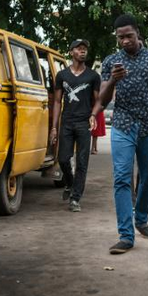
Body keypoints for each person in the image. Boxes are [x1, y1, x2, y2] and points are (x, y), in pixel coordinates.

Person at [94, 14, 148, 255]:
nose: (125, 41)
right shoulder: (111, 62)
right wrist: (112, 82)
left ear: (138, 33)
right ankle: (126, 236)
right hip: (122, 125)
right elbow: (103, 100)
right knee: (121, 178)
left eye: (129, 36)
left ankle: (141, 218)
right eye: (120, 37)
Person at [50, 39, 101, 212]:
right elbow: (57, 101)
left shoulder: (93, 76)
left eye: (85, 49)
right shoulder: (62, 75)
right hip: (66, 122)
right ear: (71, 52)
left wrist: (93, 115)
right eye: (79, 49)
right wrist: (54, 127)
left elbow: (98, 100)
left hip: (84, 123)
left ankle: (75, 198)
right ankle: (70, 183)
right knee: (63, 159)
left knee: (82, 162)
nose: (83, 51)